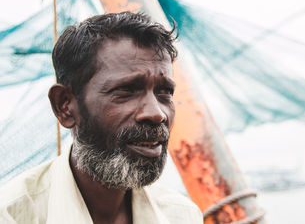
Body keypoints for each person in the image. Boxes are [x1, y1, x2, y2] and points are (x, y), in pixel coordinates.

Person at [0, 12, 203, 223]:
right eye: (126, 90)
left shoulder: (181, 215)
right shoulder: (12, 215)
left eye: (165, 92)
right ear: (65, 106)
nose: (156, 113)